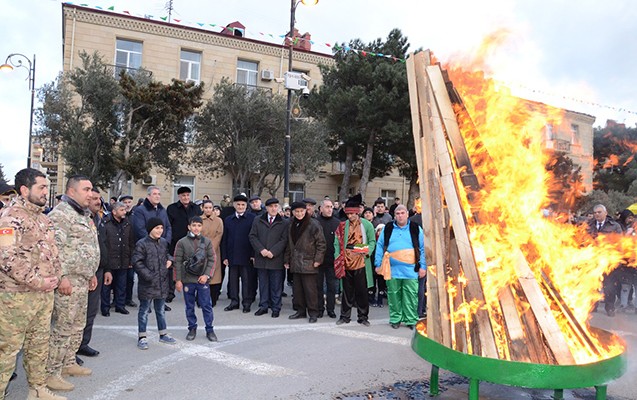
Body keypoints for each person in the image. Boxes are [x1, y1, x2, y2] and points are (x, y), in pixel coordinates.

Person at [0, 168, 65, 400]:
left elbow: (53, 253)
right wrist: (38, 281)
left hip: (43, 295)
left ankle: (37, 390)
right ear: (25, 189)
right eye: (42, 187)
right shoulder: (10, 217)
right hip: (15, 297)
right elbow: (6, 258)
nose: (46, 192)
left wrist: (57, 276)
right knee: (7, 351)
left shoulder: (43, 218)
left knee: (38, 345)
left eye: (47, 187)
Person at [46, 175, 100, 393]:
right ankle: (51, 373)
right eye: (86, 189)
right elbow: (53, 249)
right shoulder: (61, 214)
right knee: (62, 327)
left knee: (77, 325)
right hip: (67, 281)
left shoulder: (84, 215)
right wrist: (62, 277)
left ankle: (68, 362)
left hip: (82, 279)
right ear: (71, 191)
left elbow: (88, 247)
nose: (90, 194)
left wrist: (91, 273)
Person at [375, 205, 427, 329]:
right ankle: (395, 319)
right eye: (397, 213)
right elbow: (380, 246)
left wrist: (423, 266)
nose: (400, 215)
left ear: (407, 214)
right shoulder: (388, 228)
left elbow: (423, 248)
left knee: (411, 295)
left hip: (411, 269)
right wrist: (378, 264)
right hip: (391, 270)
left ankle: (410, 320)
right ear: (394, 215)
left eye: (402, 213)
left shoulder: (415, 228)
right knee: (393, 295)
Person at [132, 218, 177, 350]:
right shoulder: (142, 244)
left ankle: (163, 334)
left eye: (161, 228)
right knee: (144, 310)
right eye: (157, 228)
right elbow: (137, 262)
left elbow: (167, 254)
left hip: (162, 282)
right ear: (150, 229)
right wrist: (149, 276)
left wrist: (170, 260)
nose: (160, 231)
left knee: (161, 310)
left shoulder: (163, 242)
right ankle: (142, 337)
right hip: (148, 283)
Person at [77, 189, 109, 362]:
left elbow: (104, 245)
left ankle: (83, 344)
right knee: (77, 313)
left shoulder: (100, 219)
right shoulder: (82, 219)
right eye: (94, 198)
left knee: (91, 311)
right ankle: (70, 352)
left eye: (99, 199)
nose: (97, 201)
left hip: (98, 270)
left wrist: (107, 269)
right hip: (83, 273)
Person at [334, 194, 376, 326]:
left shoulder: (367, 225)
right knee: (346, 292)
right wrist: (338, 258)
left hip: (361, 263)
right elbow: (336, 243)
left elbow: (372, 242)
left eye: (352, 214)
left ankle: (363, 317)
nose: (350, 216)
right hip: (346, 263)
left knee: (362, 292)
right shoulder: (342, 226)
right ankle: (344, 316)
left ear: (357, 213)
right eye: (348, 214)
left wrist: (359, 249)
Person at [175, 216, 217, 342]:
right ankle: (192, 328)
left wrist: (206, 275)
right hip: (188, 280)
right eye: (194, 225)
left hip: (202, 279)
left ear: (202, 227)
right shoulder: (181, 242)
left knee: (206, 305)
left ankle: (210, 329)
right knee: (189, 306)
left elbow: (212, 259)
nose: (196, 228)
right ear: (189, 227)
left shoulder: (207, 242)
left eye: (199, 225)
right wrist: (178, 280)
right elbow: (177, 262)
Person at [130, 186, 172, 310]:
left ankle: (160, 302)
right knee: (147, 275)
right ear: (148, 196)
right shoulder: (140, 210)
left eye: (159, 194)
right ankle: (146, 303)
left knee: (161, 274)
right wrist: (151, 242)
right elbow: (139, 229)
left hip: (161, 247)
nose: (157, 196)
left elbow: (168, 227)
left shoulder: (162, 210)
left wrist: (165, 241)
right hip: (146, 248)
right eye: (154, 194)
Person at [284, 202, 326, 323]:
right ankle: (300, 311)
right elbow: (289, 243)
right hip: (296, 262)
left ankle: (313, 312)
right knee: (298, 290)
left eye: (301, 211)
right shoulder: (291, 223)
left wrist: (318, 260)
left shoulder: (313, 224)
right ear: (292, 212)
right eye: (296, 211)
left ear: (306, 211)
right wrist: (287, 260)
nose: (299, 214)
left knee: (310, 290)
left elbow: (321, 244)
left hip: (309, 262)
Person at [249, 198, 289, 318]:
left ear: (278, 207)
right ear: (266, 208)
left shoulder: (284, 222)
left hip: (276, 258)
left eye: (275, 206)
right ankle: (263, 306)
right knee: (263, 284)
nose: (273, 209)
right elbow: (252, 236)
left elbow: (284, 239)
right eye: (271, 206)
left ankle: (276, 307)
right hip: (261, 257)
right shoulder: (258, 220)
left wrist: (273, 251)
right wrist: (261, 250)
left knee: (276, 285)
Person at [167, 187, 202, 304]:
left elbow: (200, 224)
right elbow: (169, 226)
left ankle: (195, 292)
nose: (186, 197)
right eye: (183, 196)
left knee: (194, 266)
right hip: (176, 241)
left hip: (193, 241)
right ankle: (170, 292)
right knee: (174, 267)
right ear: (179, 197)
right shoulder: (172, 208)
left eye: (188, 195)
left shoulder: (196, 208)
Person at [222, 194, 256, 313]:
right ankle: (234, 301)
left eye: (243, 205)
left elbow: (254, 238)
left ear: (246, 206)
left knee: (247, 281)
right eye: (238, 204)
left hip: (246, 255)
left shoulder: (252, 218)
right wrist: (225, 256)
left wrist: (253, 254)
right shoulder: (228, 219)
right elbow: (225, 239)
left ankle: (246, 302)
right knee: (233, 280)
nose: (240, 206)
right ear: (234, 205)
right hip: (232, 255)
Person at [586, 204, 623, 316]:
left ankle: (610, 307)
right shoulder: (589, 225)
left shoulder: (614, 226)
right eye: (595, 212)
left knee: (609, 286)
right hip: (593, 260)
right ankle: (593, 305)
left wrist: (617, 259)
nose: (597, 214)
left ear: (605, 213)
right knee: (592, 284)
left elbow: (620, 243)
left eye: (599, 212)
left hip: (608, 261)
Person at [100, 201, 135, 316]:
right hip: (110, 259)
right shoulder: (106, 223)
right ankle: (105, 307)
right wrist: (105, 261)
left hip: (123, 259)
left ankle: (120, 305)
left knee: (121, 285)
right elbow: (103, 243)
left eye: (125, 210)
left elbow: (131, 241)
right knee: (107, 285)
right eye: (122, 210)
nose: (124, 212)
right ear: (114, 212)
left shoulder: (127, 223)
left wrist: (130, 258)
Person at [316, 198, 340, 319]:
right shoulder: (315, 222)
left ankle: (330, 309)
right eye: (327, 207)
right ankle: (320, 308)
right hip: (318, 261)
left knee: (332, 286)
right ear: (321, 208)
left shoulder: (337, 223)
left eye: (331, 207)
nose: (330, 209)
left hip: (332, 261)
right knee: (318, 286)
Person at [201, 200, 224, 307]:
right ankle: (201, 300)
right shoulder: (199, 220)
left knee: (214, 275)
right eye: (206, 207)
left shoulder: (218, 221)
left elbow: (219, 236)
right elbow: (196, 234)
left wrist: (210, 249)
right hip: (200, 251)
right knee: (201, 275)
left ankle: (213, 299)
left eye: (210, 208)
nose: (208, 210)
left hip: (214, 251)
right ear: (202, 208)